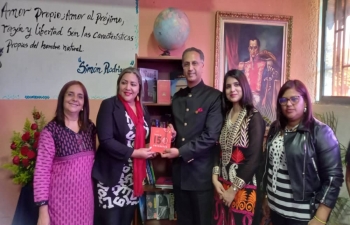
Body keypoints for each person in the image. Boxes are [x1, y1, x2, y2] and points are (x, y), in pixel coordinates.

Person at [262, 79, 344, 225]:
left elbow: (333, 179)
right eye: (283, 100)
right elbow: (270, 168)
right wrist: (267, 198)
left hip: (302, 217)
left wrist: (320, 218)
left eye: (294, 99)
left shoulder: (320, 132)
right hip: (275, 211)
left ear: (305, 101)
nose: (288, 104)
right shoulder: (275, 128)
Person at [161, 47, 224, 225]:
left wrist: (180, 152)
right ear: (182, 67)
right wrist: (170, 133)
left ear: (202, 65)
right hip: (180, 174)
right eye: (186, 64)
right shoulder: (177, 98)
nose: (190, 68)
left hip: (201, 176)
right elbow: (176, 133)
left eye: (195, 63)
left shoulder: (214, 97)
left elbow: (211, 136)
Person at [92, 67, 156, 225]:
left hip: (132, 179)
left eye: (133, 84)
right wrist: (136, 153)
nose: (128, 88)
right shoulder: (109, 105)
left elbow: (145, 140)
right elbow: (106, 140)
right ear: (118, 84)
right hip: (111, 178)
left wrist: (156, 146)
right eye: (124, 83)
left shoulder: (143, 109)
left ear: (139, 87)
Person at [33, 80, 96, 225]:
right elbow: (42, 172)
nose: (75, 99)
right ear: (62, 99)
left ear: (83, 104)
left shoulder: (90, 128)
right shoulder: (51, 131)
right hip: (60, 205)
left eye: (80, 96)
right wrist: (43, 212)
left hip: (85, 203)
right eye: (70, 94)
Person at [212, 69, 265, 225]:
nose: (232, 90)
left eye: (236, 85)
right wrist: (215, 179)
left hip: (243, 190)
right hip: (222, 187)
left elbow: (254, 159)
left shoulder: (253, 117)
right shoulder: (224, 115)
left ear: (244, 87)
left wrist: (233, 190)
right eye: (228, 86)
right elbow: (217, 149)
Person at [238, 37, 280, 123]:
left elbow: (271, 81)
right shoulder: (243, 65)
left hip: (261, 99)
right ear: (248, 49)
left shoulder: (266, 64)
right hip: (246, 100)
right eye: (251, 48)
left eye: (255, 47)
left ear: (259, 48)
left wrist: (264, 98)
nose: (253, 50)